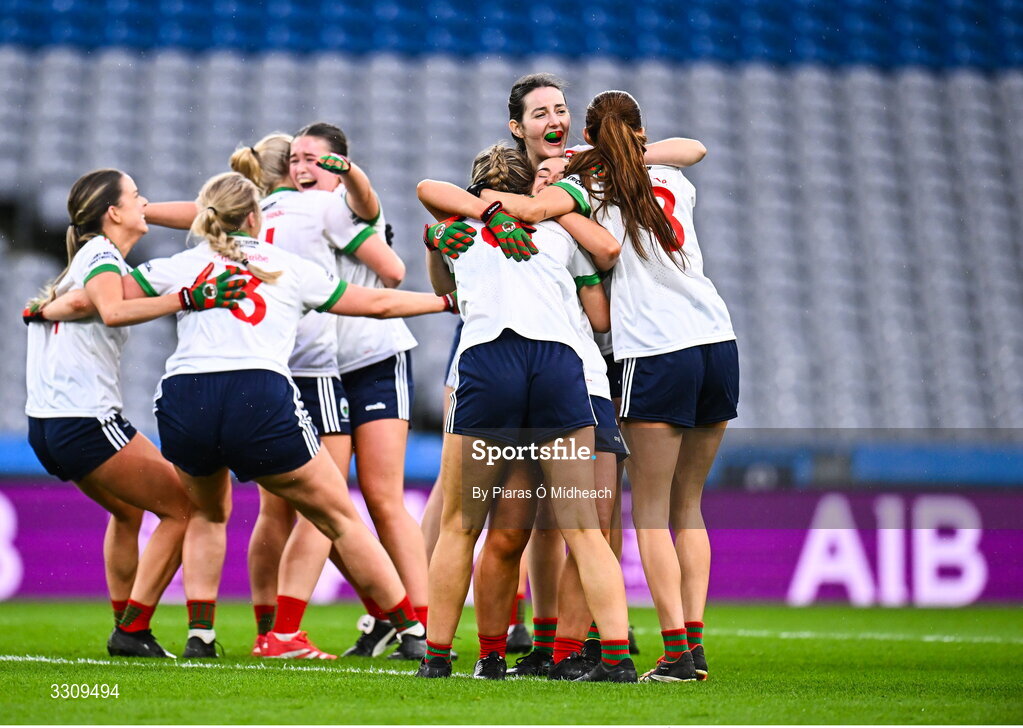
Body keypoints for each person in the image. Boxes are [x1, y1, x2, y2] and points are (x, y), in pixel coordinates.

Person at [128, 171, 454, 657]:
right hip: (256, 394)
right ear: (255, 217)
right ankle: (410, 632)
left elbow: (112, 299)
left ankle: (197, 635)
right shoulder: (286, 265)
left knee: (205, 515)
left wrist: (60, 294)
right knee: (338, 516)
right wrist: (445, 301)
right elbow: (380, 302)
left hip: (185, 396)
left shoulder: (182, 263)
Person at [479, 89, 738, 682]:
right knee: (688, 506)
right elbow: (696, 146)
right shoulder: (668, 171)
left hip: (654, 350)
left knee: (647, 512)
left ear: (590, 138)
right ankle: (694, 642)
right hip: (717, 340)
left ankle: (678, 654)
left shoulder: (587, 183)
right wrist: (625, 152)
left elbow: (535, 212)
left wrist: (504, 197)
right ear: (640, 135)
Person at [416, 144, 635, 683]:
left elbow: (445, 288)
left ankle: (440, 658)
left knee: (461, 527)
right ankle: (617, 657)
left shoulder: (459, 233)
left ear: (476, 189)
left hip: (490, 359)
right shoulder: (561, 229)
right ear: (530, 187)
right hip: (559, 363)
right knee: (584, 529)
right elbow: (603, 271)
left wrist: (444, 232)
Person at [23, 169, 242, 658]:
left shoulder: (88, 260)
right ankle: (132, 629)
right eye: (136, 196)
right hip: (84, 418)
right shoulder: (101, 253)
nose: (146, 202)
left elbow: (87, 301)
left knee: (127, 513)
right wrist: (188, 298)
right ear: (113, 213)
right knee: (186, 507)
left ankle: (128, 623)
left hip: (49, 423)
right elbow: (114, 311)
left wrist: (52, 306)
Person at [289, 123, 429, 657]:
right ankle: (386, 615)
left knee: (381, 497)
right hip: (323, 369)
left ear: (339, 164)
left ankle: (424, 625)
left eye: (315, 160)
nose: (303, 168)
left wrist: (351, 174)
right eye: (296, 159)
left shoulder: (344, 207)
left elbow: (369, 208)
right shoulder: (294, 217)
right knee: (323, 503)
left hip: (373, 358)